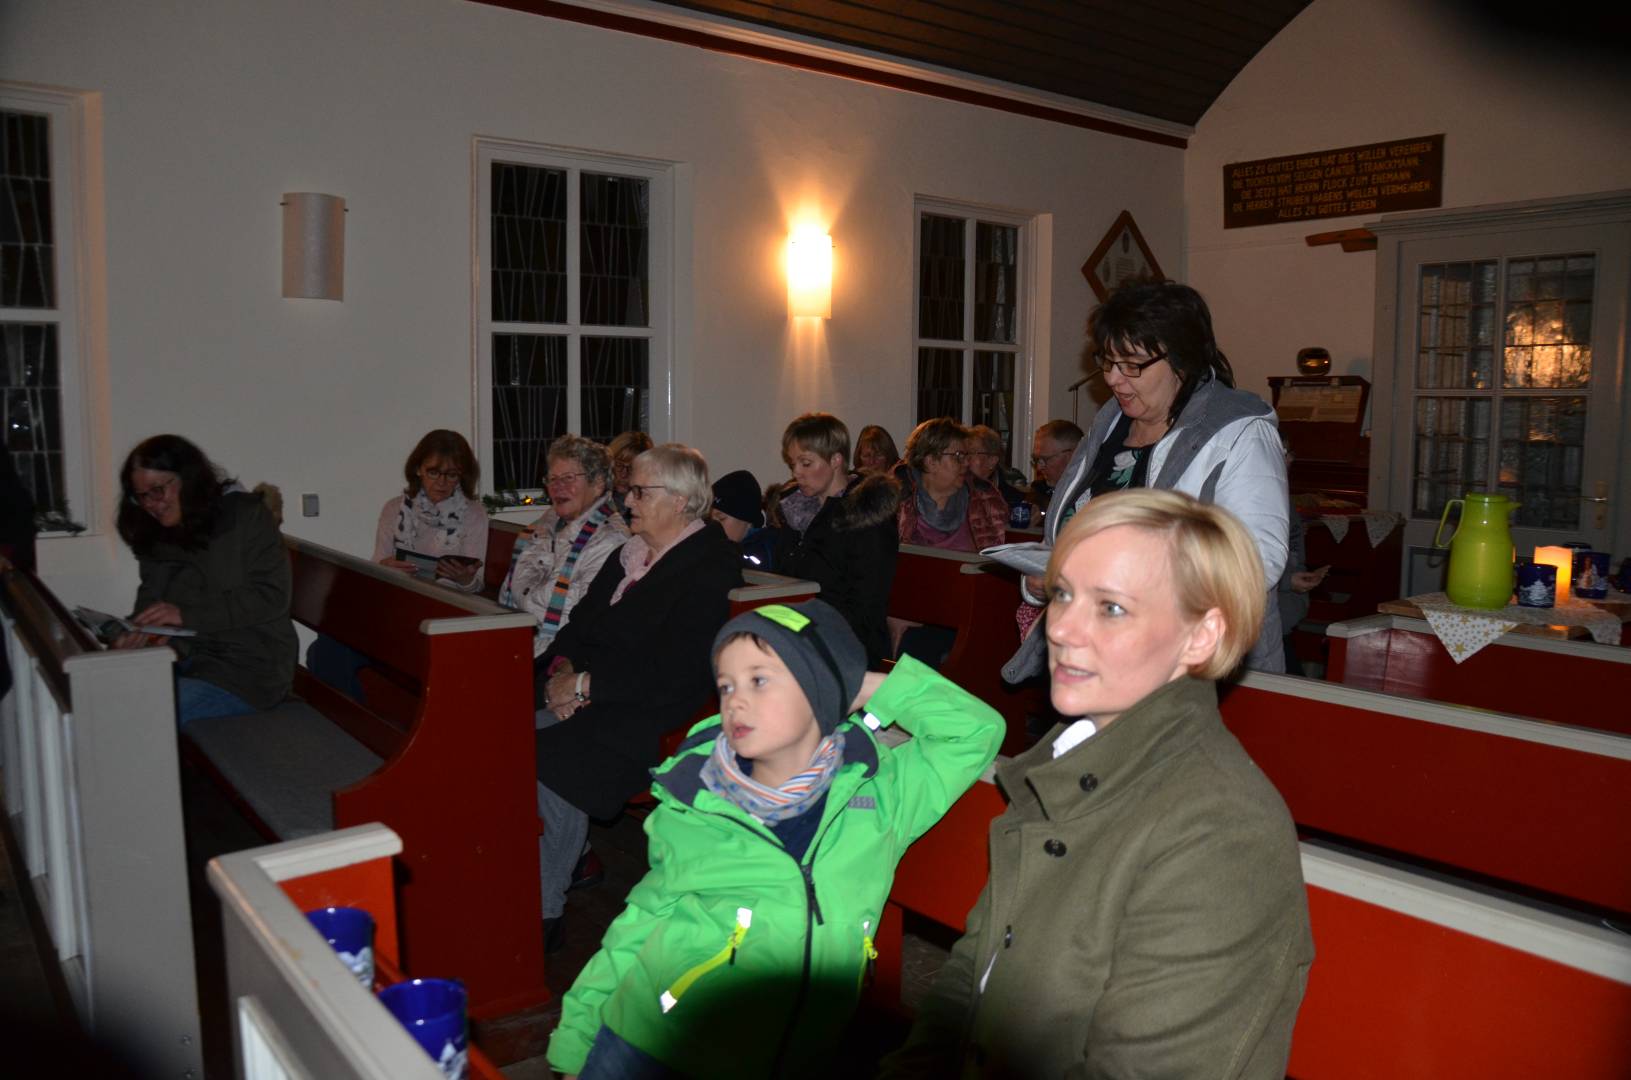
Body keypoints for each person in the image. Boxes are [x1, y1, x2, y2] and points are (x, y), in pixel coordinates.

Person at [883, 490, 1312, 1078]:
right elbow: (971, 975)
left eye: (1110, 608)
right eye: (1063, 594)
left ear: (1201, 637)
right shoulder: (1068, 762)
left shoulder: (1223, 829)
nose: (1061, 629)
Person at [547, 599, 1003, 1080]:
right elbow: (640, 922)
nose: (735, 700)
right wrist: (576, 1040)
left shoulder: (881, 795)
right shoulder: (699, 799)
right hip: (654, 1046)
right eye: (726, 685)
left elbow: (975, 732)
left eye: (760, 680)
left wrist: (856, 682)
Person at [1008, 280, 1290, 678]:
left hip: (1190, 670)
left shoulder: (1238, 431)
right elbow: (1068, 529)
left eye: (1133, 365)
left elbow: (1257, 563)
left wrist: (1118, 582)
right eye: (1107, 361)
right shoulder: (1109, 425)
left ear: (1182, 359)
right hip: (1091, 659)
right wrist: (1042, 578)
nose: (1113, 379)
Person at [533, 445, 742, 949]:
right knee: (493, 726)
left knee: (549, 756)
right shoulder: (630, 555)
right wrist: (559, 675)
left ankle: (544, 909)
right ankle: (536, 867)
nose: (627, 500)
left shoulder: (709, 567)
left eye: (639, 491)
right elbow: (577, 627)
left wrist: (583, 688)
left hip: (652, 712)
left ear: (681, 500)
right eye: (629, 489)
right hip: (590, 690)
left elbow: (675, 673)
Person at [114, 435, 296, 726]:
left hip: (247, 669)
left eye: (158, 490)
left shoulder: (245, 516)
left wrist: (185, 616)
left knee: (142, 715)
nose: (152, 503)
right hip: (184, 660)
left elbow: (270, 597)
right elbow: (152, 597)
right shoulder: (155, 532)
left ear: (187, 478)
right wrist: (140, 634)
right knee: (103, 697)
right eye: (142, 495)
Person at [774, 413, 900, 666]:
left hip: (847, 647)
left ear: (836, 460)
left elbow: (866, 607)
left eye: (806, 463)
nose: (796, 472)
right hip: (800, 634)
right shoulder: (795, 512)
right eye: (793, 464)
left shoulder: (866, 517)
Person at [499, 435, 629, 656]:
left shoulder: (611, 541)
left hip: (562, 656)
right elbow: (508, 595)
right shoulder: (541, 529)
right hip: (521, 644)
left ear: (597, 483)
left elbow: (585, 624)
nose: (558, 487)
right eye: (552, 478)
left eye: (568, 478)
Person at [372, 429, 488, 592]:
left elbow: (476, 585)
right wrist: (385, 567)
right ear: (418, 469)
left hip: (449, 602)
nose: (441, 482)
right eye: (433, 472)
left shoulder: (474, 514)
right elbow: (377, 565)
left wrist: (465, 579)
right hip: (400, 593)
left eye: (451, 475)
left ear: (462, 476)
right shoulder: (393, 509)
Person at [894, 417, 1007, 551]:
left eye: (966, 455)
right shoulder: (896, 504)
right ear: (931, 462)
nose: (966, 463)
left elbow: (995, 561)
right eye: (958, 456)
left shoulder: (985, 501)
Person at [709, 468, 779, 570]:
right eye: (711, 519)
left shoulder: (760, 552)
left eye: (721, 518)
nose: (714, 525)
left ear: (746, 519)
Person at [964, 424, 1028, 514]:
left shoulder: (1013, 501)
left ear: (992, 461)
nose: (965, 460)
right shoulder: (956, 493)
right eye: (964, 453)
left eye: (973, 452)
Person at [1028, 419, 1082, 505]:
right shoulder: (1040, 490)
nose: (1038, 467)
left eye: (1045, 459)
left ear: (1072, 456)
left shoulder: (1090, 496)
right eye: (1036, 459)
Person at [606, 430, 654, 518]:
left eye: (631, 468)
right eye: (619, 465)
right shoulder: (598, 499)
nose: (624, 474)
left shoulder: (650, 506)